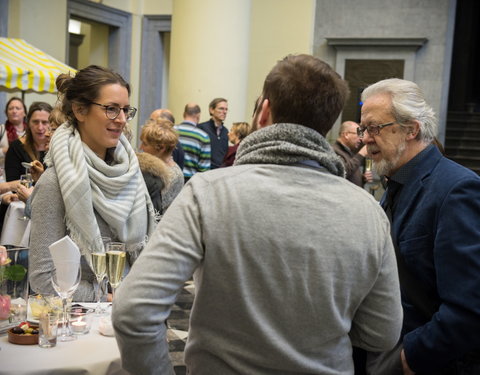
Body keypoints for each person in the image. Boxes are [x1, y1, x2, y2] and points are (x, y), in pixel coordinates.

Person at [113, 54, 402, 375]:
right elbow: (382, 332)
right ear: (329, 123)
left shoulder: (208, 193)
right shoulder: (367, 211)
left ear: (264, 111)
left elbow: (134, 312)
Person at [359, 78, 480, 375]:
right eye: (363, 129)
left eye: (374, 128)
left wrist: (408, 358)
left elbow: (469, 307)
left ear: (411, 129)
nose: (365, 138)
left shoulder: (458, 189)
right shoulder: (396, 183)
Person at [28, 65, 157, 302]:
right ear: (79, 110)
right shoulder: (54, 183)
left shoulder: (129, 173)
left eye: (125, 110)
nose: (121, 120)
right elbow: (42, 277)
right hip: (86, 321)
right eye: (110, 109)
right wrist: (104, 298)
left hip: (133, 308)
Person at [139, 119, 184, 213]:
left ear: (161, 148)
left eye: (145, 144)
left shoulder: (173, 175)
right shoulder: (149, 167)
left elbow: (155, 206)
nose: (141, 147)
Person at [4, 102, 51, 182]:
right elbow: (11, 181)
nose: (40, 127)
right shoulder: (16, 147)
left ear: (52, 124)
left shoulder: (58, 147)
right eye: (35, 122)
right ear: (28, 123)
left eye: (45, 122)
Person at [176, 103, 211, 181]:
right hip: (191, 181)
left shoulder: (171, 131)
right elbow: (204, 169)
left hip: (171, 179)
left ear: (184, 114)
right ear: (198, 116)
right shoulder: (203, 136)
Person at [333, 121, 373, 187]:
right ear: (346, 135)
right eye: (358, 134)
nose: (361, 139)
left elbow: (349, 177)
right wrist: (361, 154)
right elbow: (342, 171)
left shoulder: (349, 152)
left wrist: (362, 179)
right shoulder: (335, 151)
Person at [0, 97, 27, 181]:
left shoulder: (30, 132)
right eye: (11, 108)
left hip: (25, 176)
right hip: (3, 177)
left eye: (18, 108)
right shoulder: (1, 129)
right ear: (6, 113)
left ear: (24, 113)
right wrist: (3, 151)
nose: (14, 111)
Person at [198, 97, 229, 169]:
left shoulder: (225, 131)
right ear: (211, 110)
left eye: (226, 109)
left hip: (220, 172)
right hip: (204, 172)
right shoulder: (201, 128)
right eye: (221, 108)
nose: (224, 112)